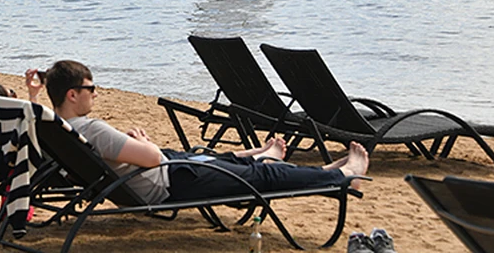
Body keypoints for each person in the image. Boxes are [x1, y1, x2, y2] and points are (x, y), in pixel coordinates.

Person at [39, 60, 368, 204]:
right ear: (73, 94)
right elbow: (152, 158)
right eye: (91, 88)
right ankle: (343, 175)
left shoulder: (57, 128)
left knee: (235, 163)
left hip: (162, 174)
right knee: (258, 178)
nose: (96, 93)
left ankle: (313, 169)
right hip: (171, 181)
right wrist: (142, 142)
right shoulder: (92, 129)